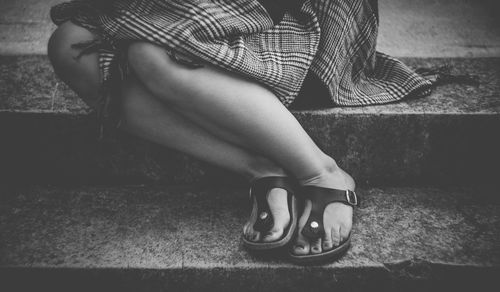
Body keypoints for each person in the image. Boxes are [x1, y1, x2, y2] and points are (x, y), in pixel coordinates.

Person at [47, 0, 432, 264]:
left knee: (153, 53)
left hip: (293, 19)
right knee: (69, 44)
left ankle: (321, 171)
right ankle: (260, 167)